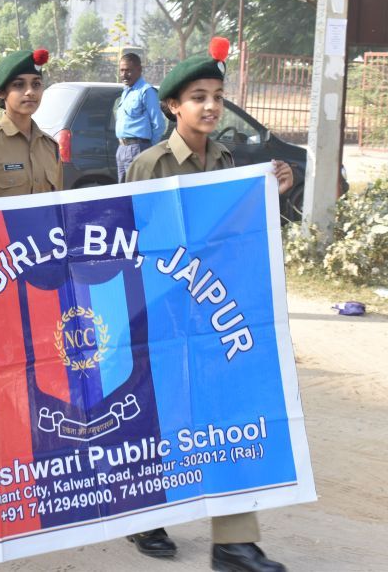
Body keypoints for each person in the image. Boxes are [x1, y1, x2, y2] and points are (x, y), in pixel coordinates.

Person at [124, 37, 293, 572]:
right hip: (166, 313)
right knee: (163, 416)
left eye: (218, 97)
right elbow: (132, 242)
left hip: (218, 313)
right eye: (199, 97)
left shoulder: (227, 160)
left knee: (228, 414)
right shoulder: (149, 164)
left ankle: (234, 543)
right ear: (173, 105)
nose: (211, 106)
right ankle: (146, 515)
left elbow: (239, 232)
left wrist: (273, 193)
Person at [0, 48, 62, 198]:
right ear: (2, 92)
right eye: (19, 85)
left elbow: (57, 203)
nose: (30, 92)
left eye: (36, 84)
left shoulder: (50, 147)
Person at [114, 52, 165, 182]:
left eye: (128, 70)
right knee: (123, 191)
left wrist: (148, 149)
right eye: (122, 70)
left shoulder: (146, 91)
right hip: (122, 148)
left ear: (139, 70)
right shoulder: (126, 92)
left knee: (137, 190)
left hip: (137, 148)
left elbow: (159, 125)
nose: (124, 74)